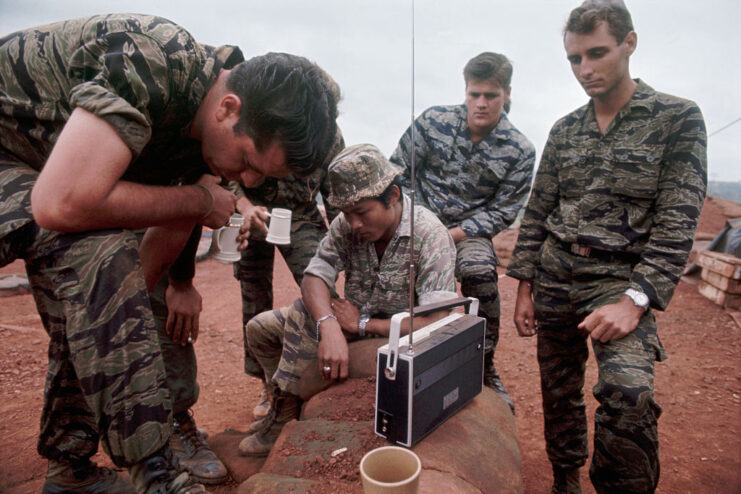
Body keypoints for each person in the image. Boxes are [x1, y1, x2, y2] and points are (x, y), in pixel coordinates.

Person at [0, 13, 339, 494]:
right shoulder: (153, 61)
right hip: (13, 155)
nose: (247, 183)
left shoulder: (206, 136)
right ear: (228, 108)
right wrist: (202, 202)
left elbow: (140, 271)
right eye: (246, 162)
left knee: (96, 292)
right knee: (101, 251)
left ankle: (70, 470)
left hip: (39, 171)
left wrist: (152, 295)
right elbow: (64, 201)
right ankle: (159, 477)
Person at [506, 2, 707, 493]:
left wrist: (636, 300)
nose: (585, 70)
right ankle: (564, 479)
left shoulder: (676, 119)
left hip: (618, 282)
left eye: (597, 53)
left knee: (628, 393)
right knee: (559, 391)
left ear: (629, 44)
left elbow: (678, 222)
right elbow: (538, 211)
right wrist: (524, 287)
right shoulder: (564, 129)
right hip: (554, 277)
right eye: (574, 59)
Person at [238, 143, 458, 457]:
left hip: (396, 343)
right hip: (347, 329)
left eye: (362, 212)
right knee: (260, 329)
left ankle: (285, 412)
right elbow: (315, 275)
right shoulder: (348, 224)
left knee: (301, 313)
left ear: (392, 196)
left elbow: (438, 321)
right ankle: (286, 398)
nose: (353, 223)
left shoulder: (429, 236)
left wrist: (365, 324)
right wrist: (328, 325)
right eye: (345, 212)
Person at [390, 51, 535, 413]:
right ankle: (398, 355)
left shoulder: (520, 150)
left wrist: (452, 234)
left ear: (508, 93)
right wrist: (414, 222)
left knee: (481, 275)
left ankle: (483, 366)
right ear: (465, 91)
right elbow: (397, 172)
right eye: (475, 94)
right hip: (417, 223)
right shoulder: (432, 122)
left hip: (468, 234)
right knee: (397, 278)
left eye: (491, 95)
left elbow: (503, 211)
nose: (481, 103)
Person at [232, 127, 344, 421]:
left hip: (300, 213)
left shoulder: (328, 135)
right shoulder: (265, 119)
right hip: (251, 211)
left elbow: (333, 192)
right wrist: (242, 205)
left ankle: (323, 371)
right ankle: (268, 385)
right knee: (253, 294)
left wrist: (342, 239)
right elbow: (225, 173)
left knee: (320, 286)